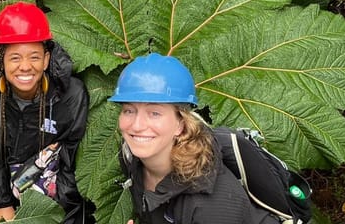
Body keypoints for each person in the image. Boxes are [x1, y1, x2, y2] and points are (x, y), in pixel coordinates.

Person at [0, 2, 89, 223]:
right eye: (15, 58)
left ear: (46, 60)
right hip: (7, 186)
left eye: (34, 57)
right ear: (1, 61)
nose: (25, 67)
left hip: (54, 190)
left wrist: (59, 213)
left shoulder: (71, 94)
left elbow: (72, 160)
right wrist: (1, 202)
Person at [108, 53, 254, 224]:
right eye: (129, 111)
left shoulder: (213, 207)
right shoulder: (132, 158)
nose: (137, 125)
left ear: (181, 124)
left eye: (154, 113)